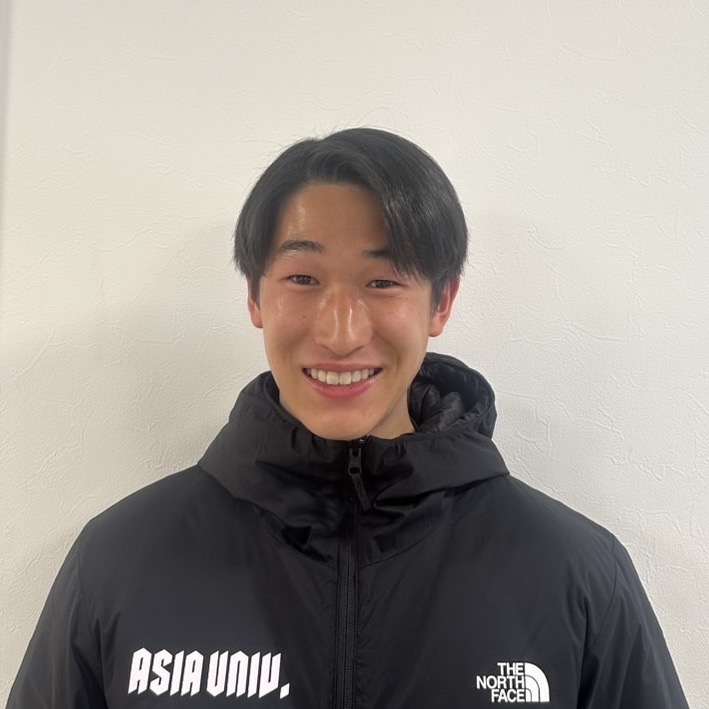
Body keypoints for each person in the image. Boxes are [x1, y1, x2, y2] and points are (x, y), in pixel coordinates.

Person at [8, 128, 688, 708]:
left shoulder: (575, 574)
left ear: (441, 302)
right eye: (302, 279)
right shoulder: (119, 562)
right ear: (255, 296)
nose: (339, 333)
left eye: (382, 281)